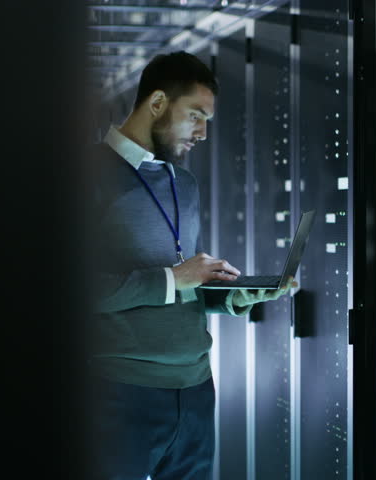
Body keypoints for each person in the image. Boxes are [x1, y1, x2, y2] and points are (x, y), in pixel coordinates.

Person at [84, 51, 295, 480]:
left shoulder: (185, 183)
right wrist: (172, 279)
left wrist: (232, 295)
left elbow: (183, 288)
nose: (202, 133)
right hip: (119, 394)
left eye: (208, 121)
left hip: (196, 390)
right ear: (157, 103)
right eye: (195, 116)